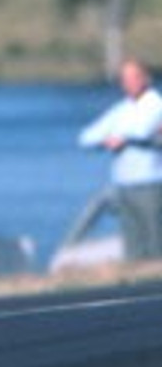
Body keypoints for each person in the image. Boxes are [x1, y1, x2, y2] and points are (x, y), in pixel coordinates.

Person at [78, 59, 162, 261]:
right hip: (124, 185)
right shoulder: (122, 110)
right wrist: (108, 139)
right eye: (124, 78)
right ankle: (137, 286)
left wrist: (118, 137)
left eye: (133, 77)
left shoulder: (155, 104)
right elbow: (86, 137)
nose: (128, 83)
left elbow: (141, 131)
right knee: (133, 247)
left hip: (150, 184)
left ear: (145, 79)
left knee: (156, 242)